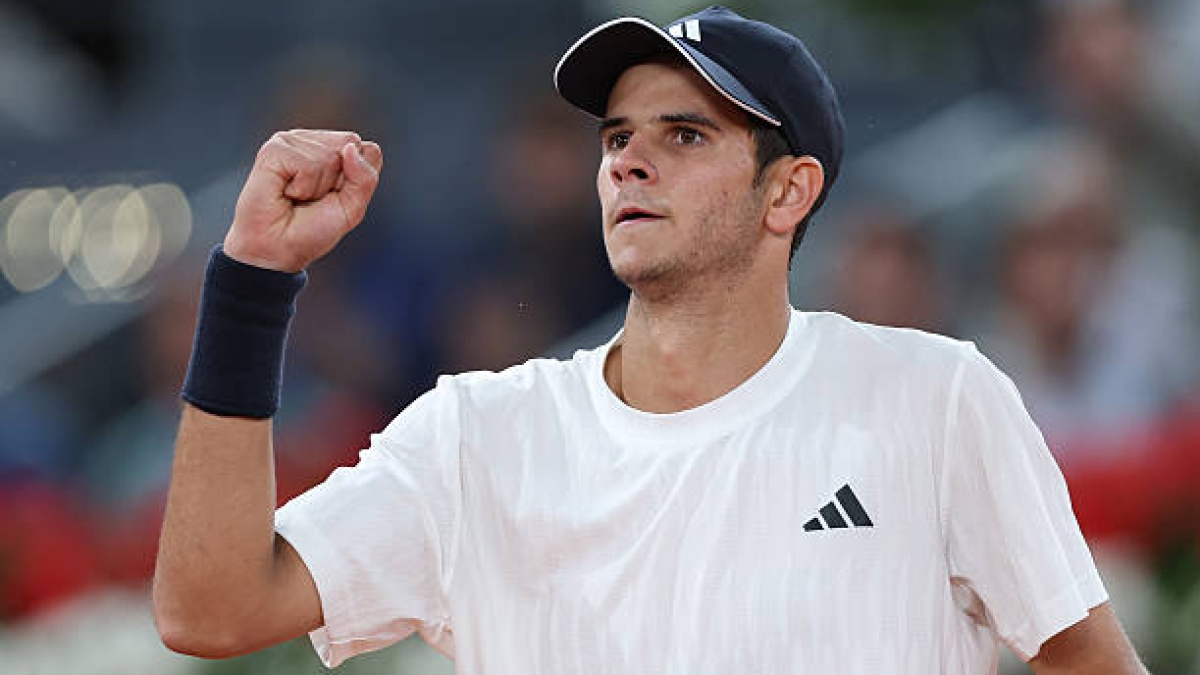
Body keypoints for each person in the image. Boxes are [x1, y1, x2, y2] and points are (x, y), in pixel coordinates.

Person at [152, 7, 1149, 673]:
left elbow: (1086, 659)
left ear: (788, 191)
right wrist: (252, 284)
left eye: (685, 135)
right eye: (617, 137)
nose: (630, 161)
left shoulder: (935, 398)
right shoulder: (475, 435)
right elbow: (211, 609)